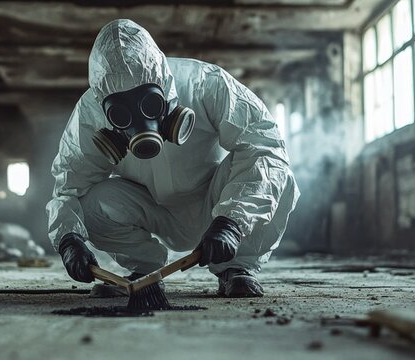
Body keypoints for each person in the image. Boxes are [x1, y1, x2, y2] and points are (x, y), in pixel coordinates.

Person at [46, 19, 299, 297]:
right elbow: (68, 189)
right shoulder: (91, 115)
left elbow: (267, 146)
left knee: (272, 170)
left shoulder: (204, 83)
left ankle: (236, 268)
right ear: (103, 105)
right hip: (152, 208)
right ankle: (145, 270)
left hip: (217, 201)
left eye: (151, 104)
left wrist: (232, 221)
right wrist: (68, 239)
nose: (140, 124)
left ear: (166, 85)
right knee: (89, 205)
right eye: (121, 115)